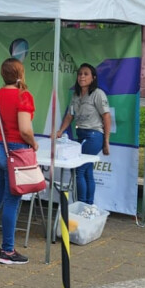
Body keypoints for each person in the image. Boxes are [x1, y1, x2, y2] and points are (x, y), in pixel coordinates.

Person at [0, 58, 37, 265]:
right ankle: (8, 250)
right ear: (20, 74)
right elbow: (24, 129)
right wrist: (34, 143)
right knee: (12, 201)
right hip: (15, 152)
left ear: (3, 74)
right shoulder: (24, 96)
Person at [55, 63, 111, 206]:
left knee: (79, 170)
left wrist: (106, 142)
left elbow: (106, 117)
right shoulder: (75, 95)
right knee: (87, 171)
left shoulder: (98, 94)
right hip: (81, 136)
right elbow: (70, 115)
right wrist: (60, 131)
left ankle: (82, 205)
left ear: (93, 78)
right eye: (80, 74)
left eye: (86, 74)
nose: (82, 77)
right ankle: (88, 206)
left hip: (94, 136)